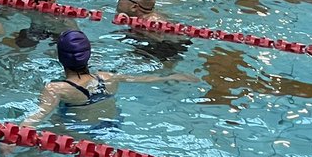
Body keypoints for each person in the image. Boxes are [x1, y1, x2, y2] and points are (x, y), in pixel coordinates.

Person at [17, 30, 193, 130]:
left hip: (81, 131)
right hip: (114, 125)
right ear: (88, 56)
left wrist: (13, 137)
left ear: (59, 57)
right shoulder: (108, 77)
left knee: (51, 128)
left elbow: (37, 116)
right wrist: (173, 76)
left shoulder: (57, 89)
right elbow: (143, 79)